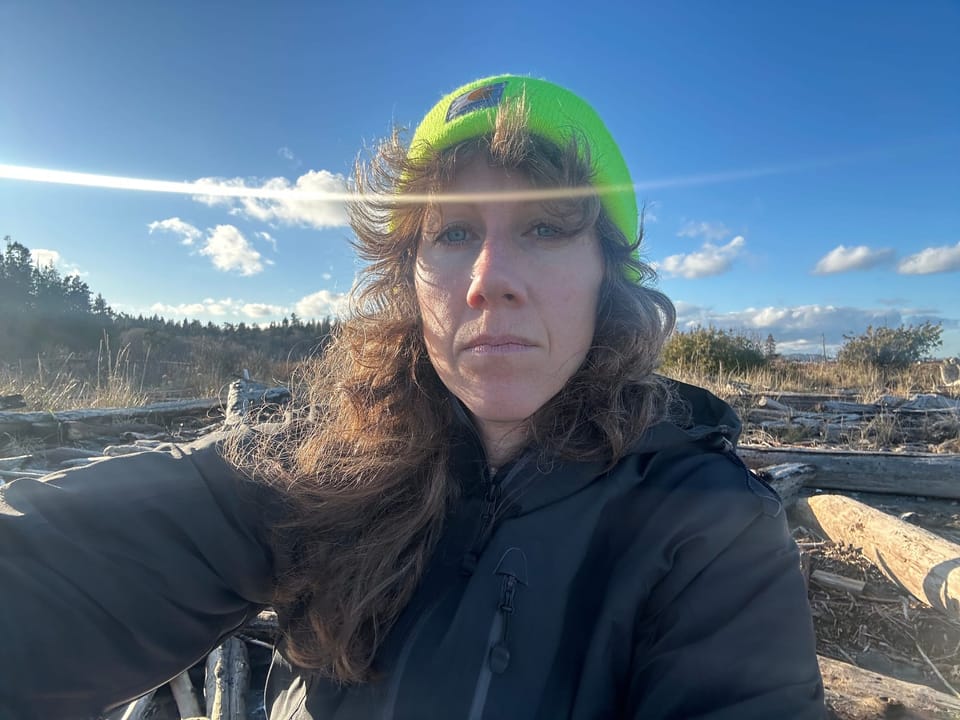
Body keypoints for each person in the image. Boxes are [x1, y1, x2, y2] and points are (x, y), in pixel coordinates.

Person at [0, 75, 826, 719]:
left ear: (606, 273)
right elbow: (54, 566)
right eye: (454, 233)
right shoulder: (319, 466)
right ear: (410, 281)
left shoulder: (713, 529)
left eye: (543, 228)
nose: (489, 279)